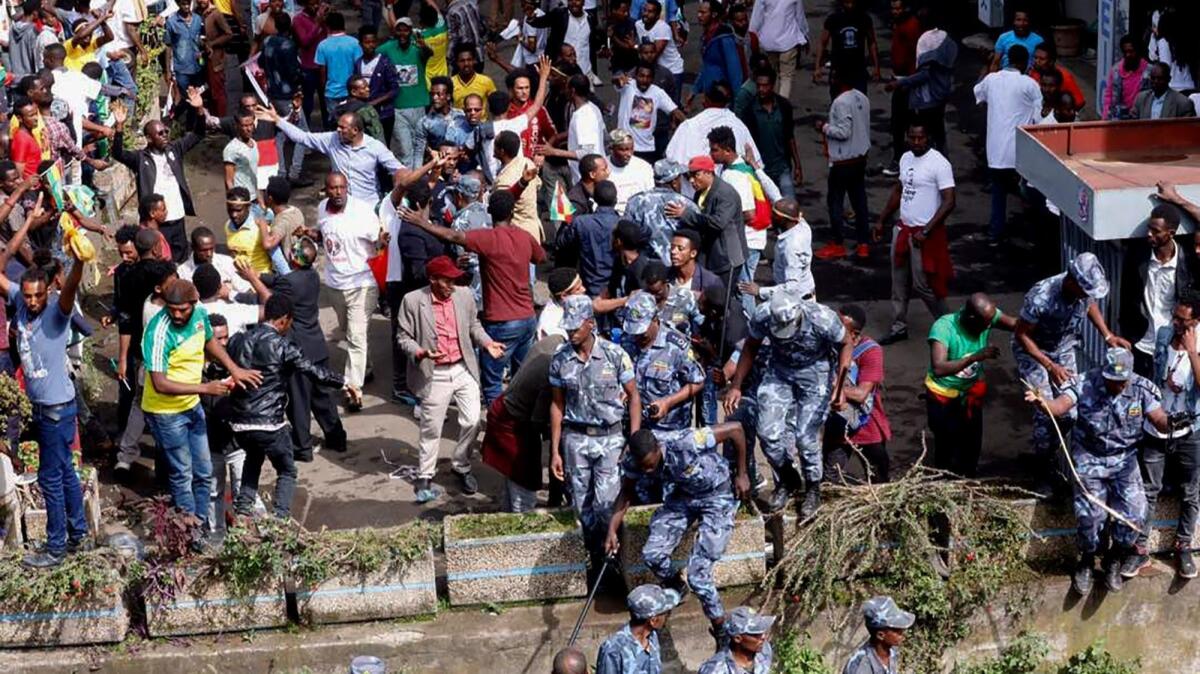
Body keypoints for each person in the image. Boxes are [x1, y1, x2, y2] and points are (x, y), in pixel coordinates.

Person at [1029, 347, 1168, 594]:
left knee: (1136, 513)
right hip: (1089, 458)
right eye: (1112, 380)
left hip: (1123, 461)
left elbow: (1159, 418)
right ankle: (1086, 560)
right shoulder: (1084, 383)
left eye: (1121, 381)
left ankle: (1114, 558)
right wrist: (1043, 403)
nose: (1117, 386)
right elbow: (1060, 406)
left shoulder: (1142, 388)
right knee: (1090, 516)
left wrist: (1174, 422)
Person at [606, 423, 749, 645]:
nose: (647, 471)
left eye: (650, 465)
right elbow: (626, 492)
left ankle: (720, 629)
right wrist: (612, 530)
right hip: (682, 497)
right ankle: (676, 585)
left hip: (716, 495)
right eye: (642, 467)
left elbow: (736, 429)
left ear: (658, 449)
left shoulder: (686, 441)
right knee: (652, 555)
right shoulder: (634, 460)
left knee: (698, 576)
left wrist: (742, 473)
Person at [0, 197, 86, 567]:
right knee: (65, 470)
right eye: (30, 296)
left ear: (48, 291)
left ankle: (55, 547)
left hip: (56, 409)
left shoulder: (56, 312)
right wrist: (24, 226)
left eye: (39, 296)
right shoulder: (20, 299)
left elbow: (68, 291)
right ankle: (78, 533)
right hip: (42, 404)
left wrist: (79, 261)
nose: (33, 302)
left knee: (50, 477)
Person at [143, 279, 262, 543]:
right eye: (172, 309)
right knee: (182, 473)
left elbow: (209, 341)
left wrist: (234, 369)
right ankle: (191, 534)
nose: (176, 314)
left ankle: (203, 526)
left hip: (190, 406)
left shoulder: (198, 316)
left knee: (205, 470)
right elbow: (160, 384)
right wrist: (205, 389)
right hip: (166, 413)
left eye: (182, 309)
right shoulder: (158, 331)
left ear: (194, 304)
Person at [401, 190, 547, 405]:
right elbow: (541, 258)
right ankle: (516, 428)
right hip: (527, 319)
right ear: (512, 212)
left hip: (501, 323)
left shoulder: (487, 238)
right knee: (521, 379)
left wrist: (421, 222)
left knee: (492, 384)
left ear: (489, 212)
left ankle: (496, 429)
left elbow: (453, 236)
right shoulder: (524, 236)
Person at [226, 294, 354, 519]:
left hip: (241, 423)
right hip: (269, 424)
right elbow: (314, 371)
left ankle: (243, 514)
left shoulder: (238, 340)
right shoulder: (283, 346)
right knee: (286, 471)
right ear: (284, 319)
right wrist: (344, 382)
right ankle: (280, 521)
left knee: (252, 464)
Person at [724, 291, 852, 516]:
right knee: (767, 433)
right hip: (780, 370)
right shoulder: (763, 315)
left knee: (805, 436)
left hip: (815, 371)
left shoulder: (822, 318)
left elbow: (846, 344)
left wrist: (839, 387)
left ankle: (813, 488)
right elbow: (751, 347)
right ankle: (787, 478)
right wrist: (736, 385)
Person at [1015, 253, 1129, 497]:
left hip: (1063, 349)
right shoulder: (1042, 296)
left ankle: (1050, 453)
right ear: (1072, 281)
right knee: (1046, 413)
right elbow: (1021, 335)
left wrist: (1108, 336)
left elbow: (1090, 305)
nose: (1086, 295)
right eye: (1084, 290)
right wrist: (1048, 365)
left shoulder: (1082, 294)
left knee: (1071, 411)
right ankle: (1043, 470)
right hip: (1035, 353)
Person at [397, 256, 502, 503]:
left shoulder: (464, 296)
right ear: (432, 279)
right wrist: (420, 352)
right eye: (447, 280)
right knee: (431, 428)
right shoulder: (412, 301)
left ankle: (461, 464)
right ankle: (425, 474)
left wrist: (487, 343)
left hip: (463, 368)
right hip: (434, 373)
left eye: (454, 279)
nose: (451, 285)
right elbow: (403, 337)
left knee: (473, 419)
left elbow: (474, 325)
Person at [550, 295, 640, 556]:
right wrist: (555, 450)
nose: (570, 333)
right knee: (580, 506)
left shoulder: (614, 355)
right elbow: (557, 405)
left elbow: (634, 396)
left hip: (609, 439)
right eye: (567, 328)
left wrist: (633, 440)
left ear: (590, 324)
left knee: (606, 504)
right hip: (575, 439)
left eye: (575, 328)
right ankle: (594, 558)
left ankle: (612, 552)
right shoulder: (560, 359)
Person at [263, 238, 349, 456]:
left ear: (293, 257)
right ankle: (337, 437)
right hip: (316, 346)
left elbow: (274, 301)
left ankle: (302, 446)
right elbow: (279, 280)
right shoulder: (311, 276)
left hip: (298, 349)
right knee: (323, 396)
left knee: (299, 400)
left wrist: (253, 279)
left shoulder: (288, 284)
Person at [874, 122, 955, 345]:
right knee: (898, 282)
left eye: (921, 138)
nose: (917, 142)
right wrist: (882, 219)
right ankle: (899, 326)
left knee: (924, 284)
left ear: (928, 138)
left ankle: (949, 325)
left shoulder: (939, 163)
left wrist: (927, 231)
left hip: (923, 235)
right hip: (903, 229)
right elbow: (899, 190)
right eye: (912, 138)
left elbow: (949, 201)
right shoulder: (906, 158)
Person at [311, 172, 383, 412]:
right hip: (334, 285)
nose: (338, 192)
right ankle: (367, 368)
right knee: (350, 332)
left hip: (362, 283)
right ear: (326, 190)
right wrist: (309, 235)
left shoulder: (362, 212)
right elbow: (323, 236)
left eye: (342, 188)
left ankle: (353, 389)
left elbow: (379, 244)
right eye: (333, 188)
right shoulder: (322, 209)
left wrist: (383, 241)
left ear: (347, 188)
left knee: (356, 336)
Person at [112, 86, 207, 264]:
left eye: (166, 132)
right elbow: (118, 154)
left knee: (181, 261)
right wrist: (119, 127)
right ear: (149, 138)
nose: (165, 136)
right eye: (160, 134)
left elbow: (199, 134)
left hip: (177, 217)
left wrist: (199, 109)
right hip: (155, 223)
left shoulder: (175, 149)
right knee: (159, 261)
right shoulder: (140, 158)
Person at [925, 293, 1016, 478]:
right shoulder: (944, 328)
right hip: (943, 396)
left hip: (970, 394)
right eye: (986, 323)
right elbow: (939, 368)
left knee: (972, 442)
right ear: (971, 318)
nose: (990, 326)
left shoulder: (986, 316)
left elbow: (1015, 324)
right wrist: (976, 357)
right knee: (946, 444)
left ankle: (968, 479)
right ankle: (944, 485)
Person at [258, 105, 420, 203]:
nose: (338, 130)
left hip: (368, 205)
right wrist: (278, 120)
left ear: (355, 131)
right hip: (342, 205)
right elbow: (303, 137)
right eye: (338, 126)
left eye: (343, 128)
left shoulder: (375, 147)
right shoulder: (331, 140)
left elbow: (399, 170)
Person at [482, 333, 565, 511]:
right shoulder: (554, 373)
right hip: (512, 419)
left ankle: (507, 513)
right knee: (524, 478)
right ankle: (521, 524)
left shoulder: (555, 340)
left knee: (512, 476)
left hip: (506, 407)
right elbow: (538, 422)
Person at [973, 44, 1041, 244]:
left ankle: (996, 232)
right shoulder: (1029, 84)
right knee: (1029, 193)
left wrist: (987, 67)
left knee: (998, 193)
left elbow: (977, 93)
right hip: (1021, 150)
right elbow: (1038, 117)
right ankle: (1032, 235)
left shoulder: (992, 80)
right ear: (1025, 62)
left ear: (1007, 60)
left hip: (996, 151)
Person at [1119, 203, 1192, 377]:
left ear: (1171, 233)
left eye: (1156, 231)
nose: (1149, 234)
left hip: (1171, 344)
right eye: (1149, 228)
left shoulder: (1186, 262)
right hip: (1140, 343)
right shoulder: (1137, 257)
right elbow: (1125, 297)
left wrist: (1177, 199)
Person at [823, 304, 891, 483]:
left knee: (878, 478)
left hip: (866, 425)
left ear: (853, 334)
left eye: (840, 327)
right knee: (830, 478)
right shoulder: (829, 346)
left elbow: (861, 394)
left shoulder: (871, 351)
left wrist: (826, 388)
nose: (833, 329)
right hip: (838, 423)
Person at [624, 291, 703, 432]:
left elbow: (697, 381)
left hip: (669, 428)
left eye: (642, 330)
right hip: (634, 424)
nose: (637, 336)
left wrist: (668, 402)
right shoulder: (627, 342)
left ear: (655, 319)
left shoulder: (677, 345)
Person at [669, 156, 746, 297]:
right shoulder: (700, 192)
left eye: (696, 175)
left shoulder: (725, 194)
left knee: (722, 298)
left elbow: (717, 223)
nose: (691, 181)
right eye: (689, 176)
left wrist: (686, 214)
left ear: (709, 173)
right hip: (710, 256)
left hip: (727, 258)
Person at [814, 67, 871, 261]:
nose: (831, 81)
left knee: (835, 202)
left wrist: (824, 127)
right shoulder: (862, 98)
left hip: (843, 161)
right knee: (859, 201)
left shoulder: (840, 102)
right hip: (860, 158)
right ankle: (863, 243)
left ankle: (837, 243)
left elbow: (844, 132)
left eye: (833, 77)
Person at [885, 10, 956, 152]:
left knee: (926, 136)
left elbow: (924, 75)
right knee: (939, 134)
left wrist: (899, 83)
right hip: (941, 93)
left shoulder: (926, 40)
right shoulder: (944, 37)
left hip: (928, 98)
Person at [742, 66, 802, 199]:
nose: (761, 89)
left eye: (765, 85)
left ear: (773, 85)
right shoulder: (749, 110)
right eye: (759, 86)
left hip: (782, 167)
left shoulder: (784, 106)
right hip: (761, 169)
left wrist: (797, 165)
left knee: (790, 205)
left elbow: (789, 137)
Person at [738, 197, 813, 303]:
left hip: (795, 303)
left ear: (782, 219)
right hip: (802, 294)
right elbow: (775, 195)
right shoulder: (801, 225)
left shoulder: (791, 248)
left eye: (774, 215)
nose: (770, 216)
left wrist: (759, 291)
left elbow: (791, 288)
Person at [625, 160, 698, 266]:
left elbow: (626, 234)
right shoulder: (686, 205)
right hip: (677, 266)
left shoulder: (636, 201)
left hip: (644, 266)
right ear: (674, 181)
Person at [595, 584, 680, 674]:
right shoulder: (613, 650)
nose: (668, 616)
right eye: (666, 613)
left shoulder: (652, 636)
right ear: (653, 620)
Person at [557, 180, 620, 296]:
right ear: (615, 200)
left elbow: (561, 242)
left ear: (595, 198)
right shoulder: (623, 224)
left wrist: (567, 221)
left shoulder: (581, 222)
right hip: (616, 289)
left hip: (590, 286)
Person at [615, 64, 683, 165]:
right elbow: (615, 80)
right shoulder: (628, 85)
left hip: (646, 148)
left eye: (648, 77)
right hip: (624, 145)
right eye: (641, 76)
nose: (644, 80)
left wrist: (690, 126)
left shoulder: (658, 93)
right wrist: (618, 78)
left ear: (652, 78)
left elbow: (675, 111)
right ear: (635, 76)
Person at [813, 0, 879, 96]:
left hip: (858, 70)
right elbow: (823, 43)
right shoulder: (833, 19)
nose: (850, 4)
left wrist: (876, 67)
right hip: (838, 70)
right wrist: (817, 67)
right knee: (838, 103)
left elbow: (872, 42)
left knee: (859, 103)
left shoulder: (864, 19)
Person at [748, 0, 807, 101]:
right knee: (786, 77)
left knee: (771, 75)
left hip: (768, 41)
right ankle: (781, 107)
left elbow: (756, 18)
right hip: (789, 41)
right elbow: (800, 17)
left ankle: (771, 106)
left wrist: (753, 36)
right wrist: (805, 35)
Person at [842, 596, 914, 674]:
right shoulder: (861, 667)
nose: (902, 633)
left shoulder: (891, 650)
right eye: (896, 630)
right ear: (880, 635)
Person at [698, 606, 776, 674]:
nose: (763, 637)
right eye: (756, 635)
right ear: (737, 638)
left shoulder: (764, 650)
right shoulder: (715, 670)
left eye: (763, 632)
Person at [314, 12, 362, 121]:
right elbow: (358, 67)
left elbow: (322, 72)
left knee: (336, 123)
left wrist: (324, 89)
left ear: (328, 26)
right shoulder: (354, 43)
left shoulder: (323, 45)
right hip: (351, 91)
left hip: (331, 92)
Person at [692, 0, 743, 103]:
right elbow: (707, 66)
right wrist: (694, 90)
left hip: (723, 95)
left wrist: (738, 100)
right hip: (710, 94)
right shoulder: (706, 36)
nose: (699, 15)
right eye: (698, 12)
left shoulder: (724, 38)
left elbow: (734, 70)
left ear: (714, 14)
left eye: (703, 13)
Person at [1102, 34, 1150, 121]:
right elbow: (1109, 95)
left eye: (1131, 51)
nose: (1128, 55)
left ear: (1138, 51)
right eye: (1125, 52)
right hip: (1120, 117)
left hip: (1142, 118)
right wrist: (1106, 116)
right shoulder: (1116, 70)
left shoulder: (1149, 71)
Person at [1030, 42, 1085, 112]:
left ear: (1051, 61)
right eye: (1035, 58)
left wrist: (1061, 116)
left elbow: (1080, 102)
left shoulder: (1064, 76)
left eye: (1042, 59)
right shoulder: (1033, 73)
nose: (1037, 61)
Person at [989, 8, 1042, 72]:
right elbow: (995, 62)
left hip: (1028, 76)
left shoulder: (1038, 41)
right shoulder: (1003, 38)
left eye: (1025, 20)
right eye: (1018, 20)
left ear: (1029, 22)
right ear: (1013, 21)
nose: (1021, 23)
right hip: (1006, 74)